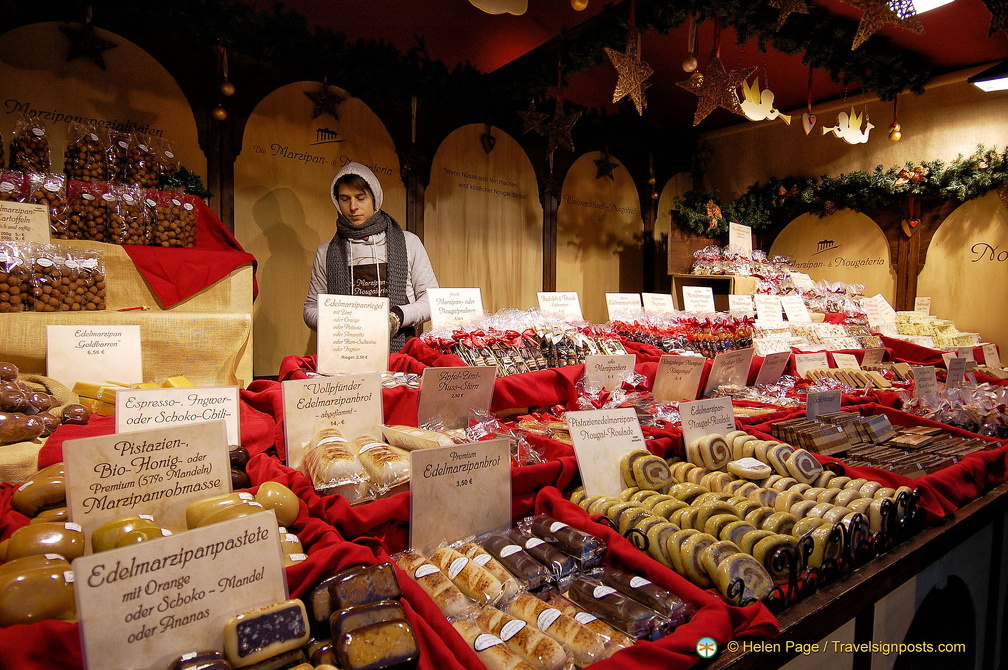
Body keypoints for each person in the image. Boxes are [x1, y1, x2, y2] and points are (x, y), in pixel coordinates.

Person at [303, 162, 438, 351]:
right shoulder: (326, 252)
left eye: (360, 198)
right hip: (347, 355)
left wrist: (396, 316)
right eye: (344, 199)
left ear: (375, 198)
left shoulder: (409, 243)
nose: (353, 207)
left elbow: (432, 300)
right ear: (337, 201)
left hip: (401, 354)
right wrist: (337, 323)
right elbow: (311, 308)